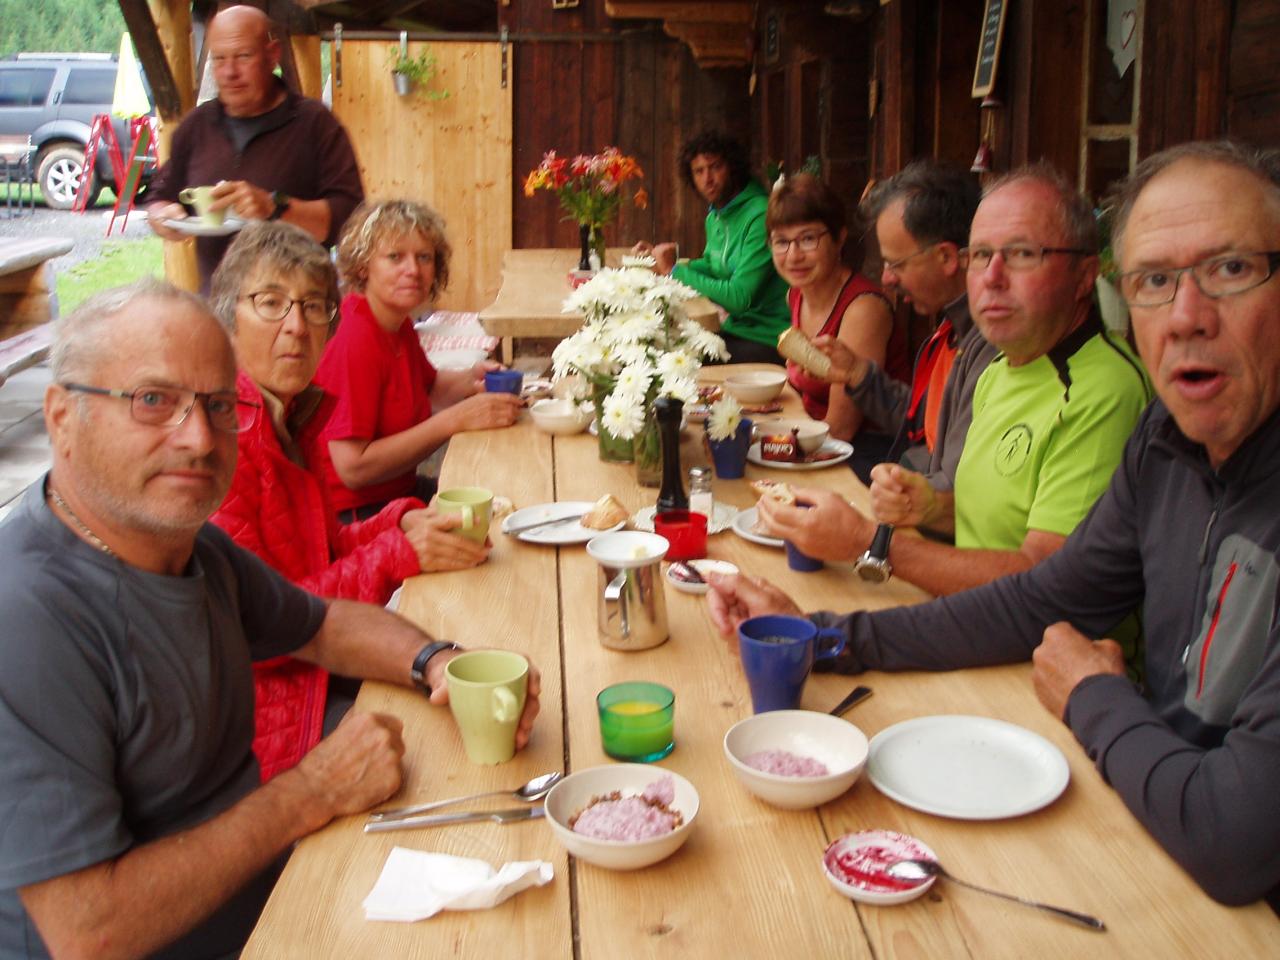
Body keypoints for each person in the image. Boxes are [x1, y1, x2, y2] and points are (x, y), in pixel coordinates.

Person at [707, 140, 1280, 911]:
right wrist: (823, 636)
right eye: (1153, 280)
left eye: (1230, 270)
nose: (1185, 316)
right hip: (1146, 827)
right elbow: (1044, 599)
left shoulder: (1113, 396)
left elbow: (1236, 838)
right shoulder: (1168, 443)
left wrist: (1096, 697)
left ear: (1082, 279)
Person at [0, 279, 541, 958]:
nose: (198, 437)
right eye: (153, 401)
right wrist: (311, 790)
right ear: (60, 417)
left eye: (218, 405)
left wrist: (442, 664)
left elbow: (322, 626)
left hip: (275, 893)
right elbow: (89, 931)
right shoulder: (28, 620)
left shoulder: (193, 550)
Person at [759, 165, 1152, 596]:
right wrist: (925, 507)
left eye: (1022, 254)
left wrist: (869, 541)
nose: (991, 277)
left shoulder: (1103, 388)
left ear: (1084, 276)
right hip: (967, 602)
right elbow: (969, 506)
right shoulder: (1003, 365)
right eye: (981, 255)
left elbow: (1048, 584)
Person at [209, 222, 490, 781]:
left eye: (314, 307)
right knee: (451, 755)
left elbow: (325, 551)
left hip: (314, 670)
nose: (295, 326)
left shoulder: (290, 414)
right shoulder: (222, 443)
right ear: (226, 318)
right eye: (271, 303)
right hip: (267, 718)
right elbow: (269, 624)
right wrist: (395, 552)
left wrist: (401, 518)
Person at [313, 199, 522, 522]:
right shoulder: (355, 339)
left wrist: (473, 377)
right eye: (395, 257)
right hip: (355, 517)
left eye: (424, 257)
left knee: (507, 494)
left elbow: (432, 388)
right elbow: (353, 468)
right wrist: (455, 420)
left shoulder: (397, 324)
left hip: (398, 493)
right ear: (363, 266)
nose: (413, 269)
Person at [816, 160, 997, 514]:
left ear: (946, 257)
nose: (886, 279)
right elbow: (921, 421)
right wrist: (858, 374)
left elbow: (954, 491)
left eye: (895, 264)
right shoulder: (951, 329)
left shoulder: (991, 345)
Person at [145, 5, 364, 288]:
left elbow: (352, 220)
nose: (229, 72)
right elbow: (159, 197)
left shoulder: (315, 123)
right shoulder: (197, 126)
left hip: (296, 308)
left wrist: (276, 207)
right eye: (219, 59)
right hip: (218, 310)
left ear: (273, 55)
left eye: (243, 56)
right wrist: (164, 216)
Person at [765, 173, 901, 477]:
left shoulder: (863, 308)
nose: (794, 255)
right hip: (815, 435)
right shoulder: (796, 294)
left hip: (869, 455)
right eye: (782, 242)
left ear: (840, 238)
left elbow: (841, 429)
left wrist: (769, 450)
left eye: (808, 238)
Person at [632, 131, 790, 363]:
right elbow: (713, 265)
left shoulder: (761, 215)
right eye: (699, 171)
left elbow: (739, 297)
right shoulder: (716, 215)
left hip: (767, 339)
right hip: (734, 330)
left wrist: (674, 272)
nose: (707, 178)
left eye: (715, 167)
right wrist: (660, 261)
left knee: (664, 360)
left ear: (733, 167)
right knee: (648, 342)